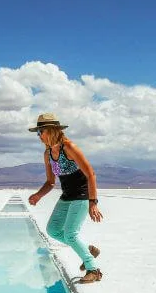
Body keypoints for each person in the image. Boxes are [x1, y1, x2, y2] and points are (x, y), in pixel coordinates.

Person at [27, 113, 104, 283]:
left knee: (70, 234)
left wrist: (93, 202)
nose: (39, 136)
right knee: (53, 230)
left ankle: (93, 270)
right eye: (38, 133)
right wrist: (38, 195)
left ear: (52, 130)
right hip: (67, 196)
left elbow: (90, 174)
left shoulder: (69, 148)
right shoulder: (47, 154)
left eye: (41, 132)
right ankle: (86, 250)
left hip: (82, 195)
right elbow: (50, 182)